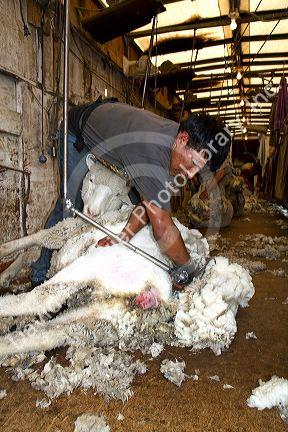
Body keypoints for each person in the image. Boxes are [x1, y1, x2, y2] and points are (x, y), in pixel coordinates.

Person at [31, 98, 231, 294]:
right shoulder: (152, 153)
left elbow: (150, 203)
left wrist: (123, 236)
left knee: (138, 204)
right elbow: (162, 227)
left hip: (111, 134)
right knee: (70, 204)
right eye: (194, 164)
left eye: (199, 170)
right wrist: (187, 269)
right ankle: (40, 275)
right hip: (77, 133)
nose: (191, 175)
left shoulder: (176, 146)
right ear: (182, 139)